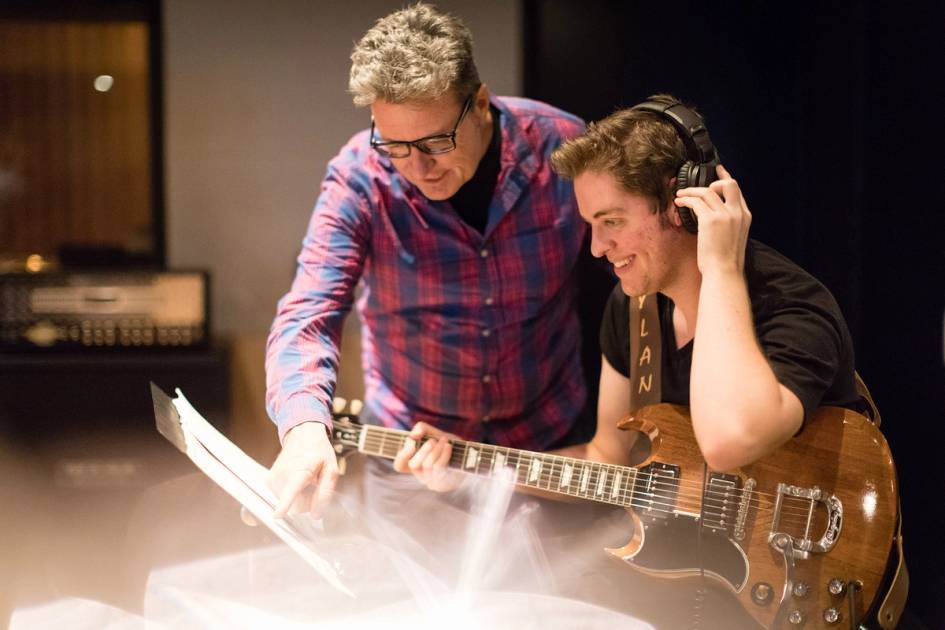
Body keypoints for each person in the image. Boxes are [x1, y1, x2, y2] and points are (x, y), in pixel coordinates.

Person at [265, 3, 594, 518]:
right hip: (409, 455)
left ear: (480, 103)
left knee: (552, 597)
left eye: (436, 142)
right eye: (395, 145)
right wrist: (305, 428)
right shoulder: (360, 177)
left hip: (547, 450)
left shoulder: (564, 149)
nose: (418, 167)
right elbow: (309, 311)